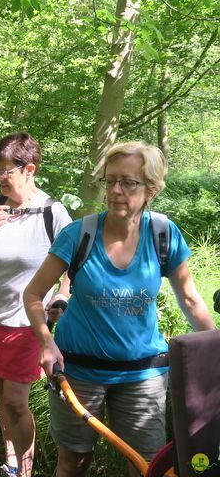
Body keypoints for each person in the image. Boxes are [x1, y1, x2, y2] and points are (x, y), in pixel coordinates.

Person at [23, 141, 216, 477]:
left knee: (146, 466)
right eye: (110, 180)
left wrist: (215, 350)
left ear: (151, 189)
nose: (115, 190)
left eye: (128, 182)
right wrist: (46, 342)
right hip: (78, 371)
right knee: (73, 462)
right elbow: (34, 295)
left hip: (143, 375)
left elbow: (190, 299)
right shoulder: (78, 235)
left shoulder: (163, 235)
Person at [0, 132, 72, 477]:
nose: (0, 178)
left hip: (28, 324)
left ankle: (25, 472)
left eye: (6, 171)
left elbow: (74, 264)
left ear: (30, 169)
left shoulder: (53, 213)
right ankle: (10, 462)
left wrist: (62, 295)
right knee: (1, 398)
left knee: (15, 402)